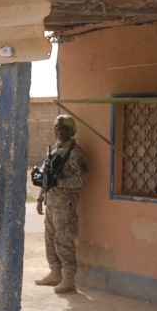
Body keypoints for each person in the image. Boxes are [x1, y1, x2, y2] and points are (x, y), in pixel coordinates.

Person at [34, 114, 89, 294]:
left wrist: (60, 183)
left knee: (63, 239)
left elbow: (81, 179)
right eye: (58, 129)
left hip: (65, 203)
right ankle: (55, 272)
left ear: (71, 131)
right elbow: (47, 177)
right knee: (50, 238)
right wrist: (41, 198)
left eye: (64, 129)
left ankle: (68, 278)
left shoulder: (75, 152)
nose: (60, 132)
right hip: (52, 201)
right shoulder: (56, 149)